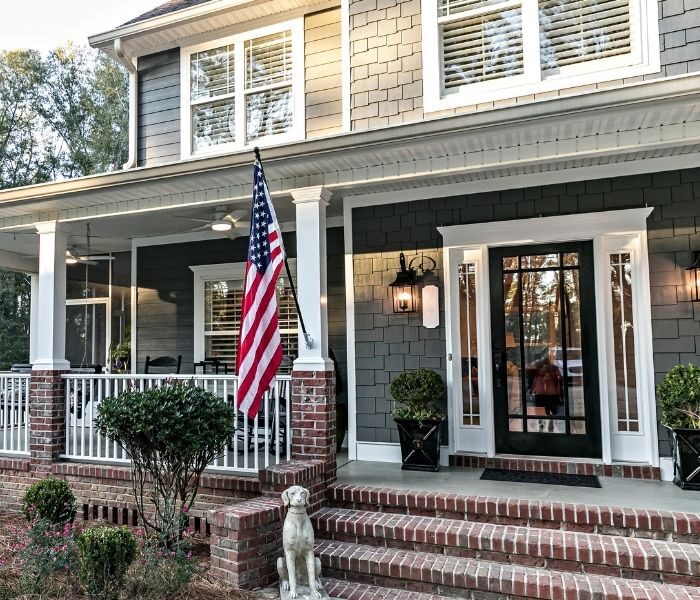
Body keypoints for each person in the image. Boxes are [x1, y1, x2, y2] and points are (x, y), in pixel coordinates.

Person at [525, 348, 562, 431]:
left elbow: (528, 372)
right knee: (549, 409)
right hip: (550, 392)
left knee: (541, 409)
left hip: (542, 392)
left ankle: (542, 423)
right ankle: (547, 421)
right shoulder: (553, 369)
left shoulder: (538, 369)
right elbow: (559, 378)